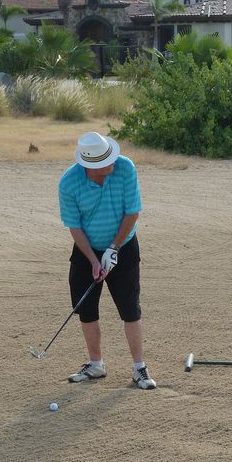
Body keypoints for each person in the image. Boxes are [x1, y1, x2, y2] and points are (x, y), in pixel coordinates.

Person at [57, 132, 156, 390]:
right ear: (90, 166)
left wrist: (114, 248)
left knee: (129, 307)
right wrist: (92, 259)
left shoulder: (125, 168)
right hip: (86, 248)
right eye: (105, 162)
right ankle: (96, 365)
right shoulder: (68, 183)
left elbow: (132, 212)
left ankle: (139, 368)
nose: (113, 163)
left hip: (123, 246)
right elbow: (75, 226)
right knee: (86, 308)